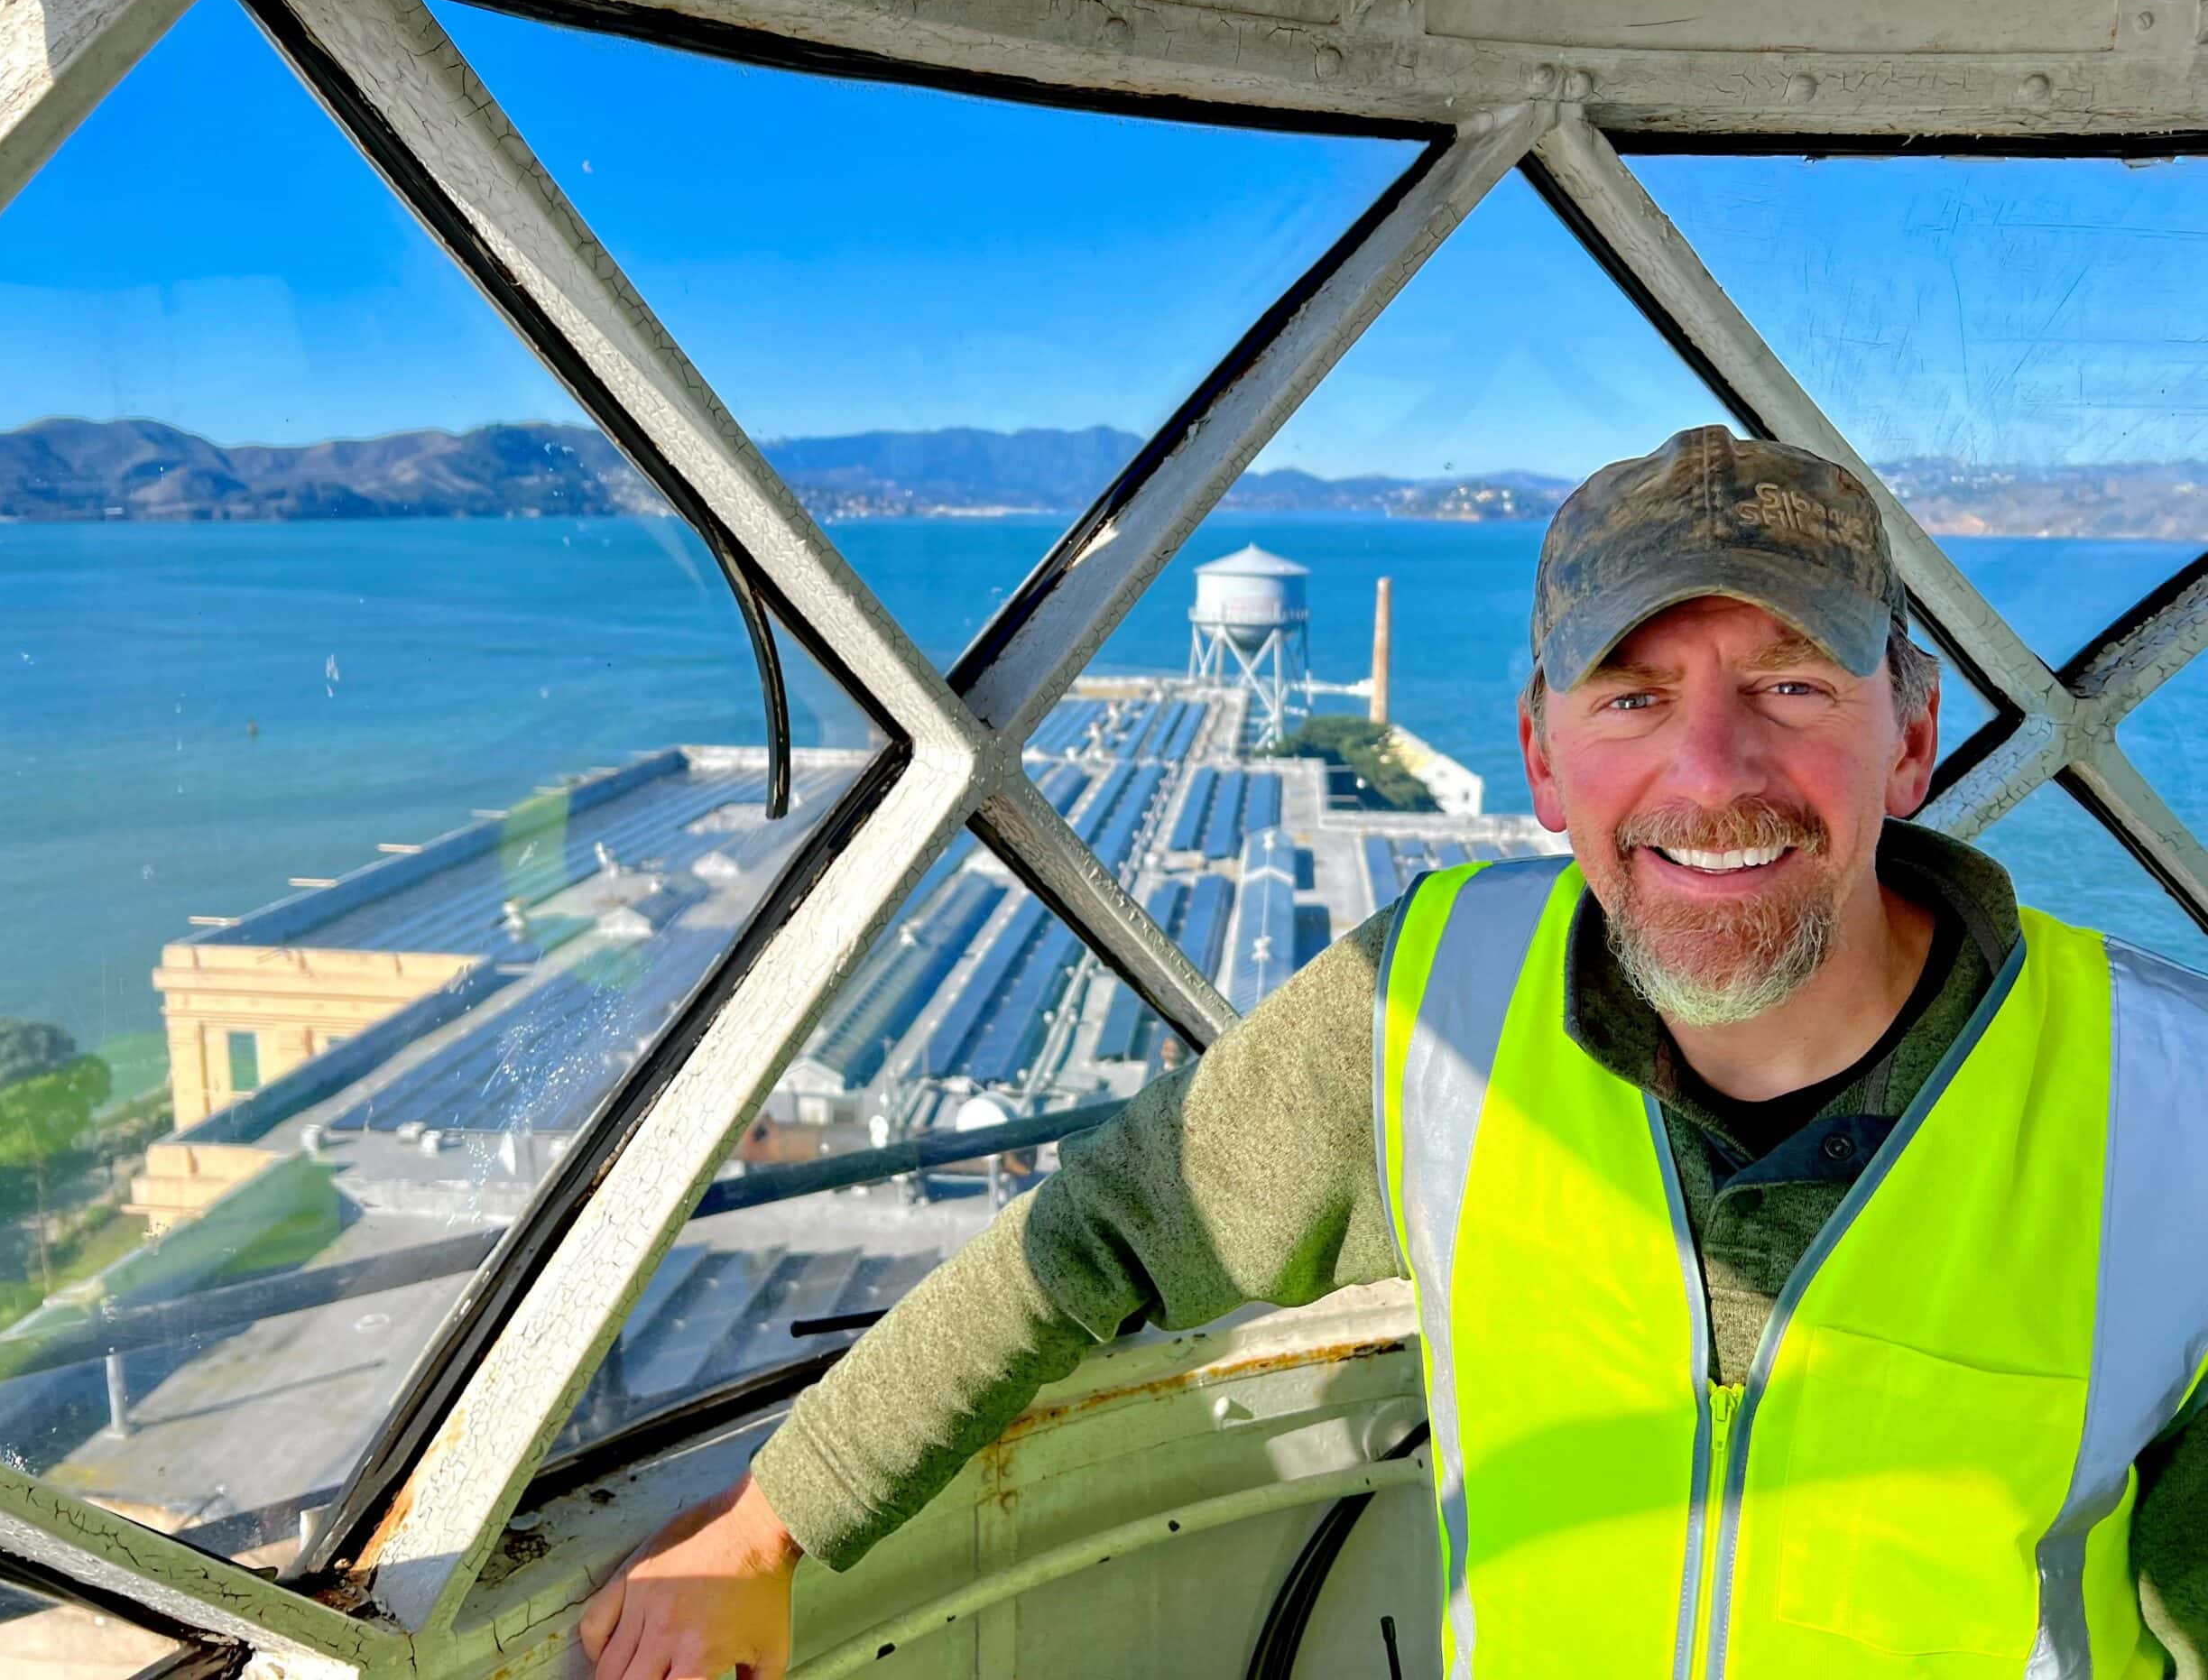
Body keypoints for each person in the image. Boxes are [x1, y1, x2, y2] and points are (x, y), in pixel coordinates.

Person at [578, 428, 2208, 1679]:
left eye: (1791, 684)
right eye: (1631, 700)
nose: (1713, 773)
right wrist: (770, 1524)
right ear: (1542, 760)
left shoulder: (2170, 1107)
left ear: (1911, 737)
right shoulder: (1429, 1012)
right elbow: (1090, 1245)